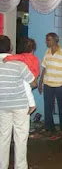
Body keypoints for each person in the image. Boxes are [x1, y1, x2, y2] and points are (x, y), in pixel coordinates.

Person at [0, 35, 36, 169]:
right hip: (20, 106)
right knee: (20, 137)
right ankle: (20, 166)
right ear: (10, 48)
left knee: (3, 136)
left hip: (2, 105)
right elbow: (32, 82)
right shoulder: (19, 64)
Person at [38, 33, 62, 136]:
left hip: (60, 84)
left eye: (48, 40)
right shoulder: (47, 52)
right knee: (47, 106)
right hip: (48, 84)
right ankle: (49, 127)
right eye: (46, 40)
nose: (46, 42)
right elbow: (44, 68)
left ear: (55, 40)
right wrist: (40, 82)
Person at [4, 37, 39, 114]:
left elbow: (13, 57)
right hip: (32, 78)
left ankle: (32, 105)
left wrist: (7, 58)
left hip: (24, 78)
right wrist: (35, 76)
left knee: (26, 91)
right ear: (33, 49)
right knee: (28, 92)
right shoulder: (35, 58)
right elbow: (37, 70)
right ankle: (32, 105)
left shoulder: (21, 56)